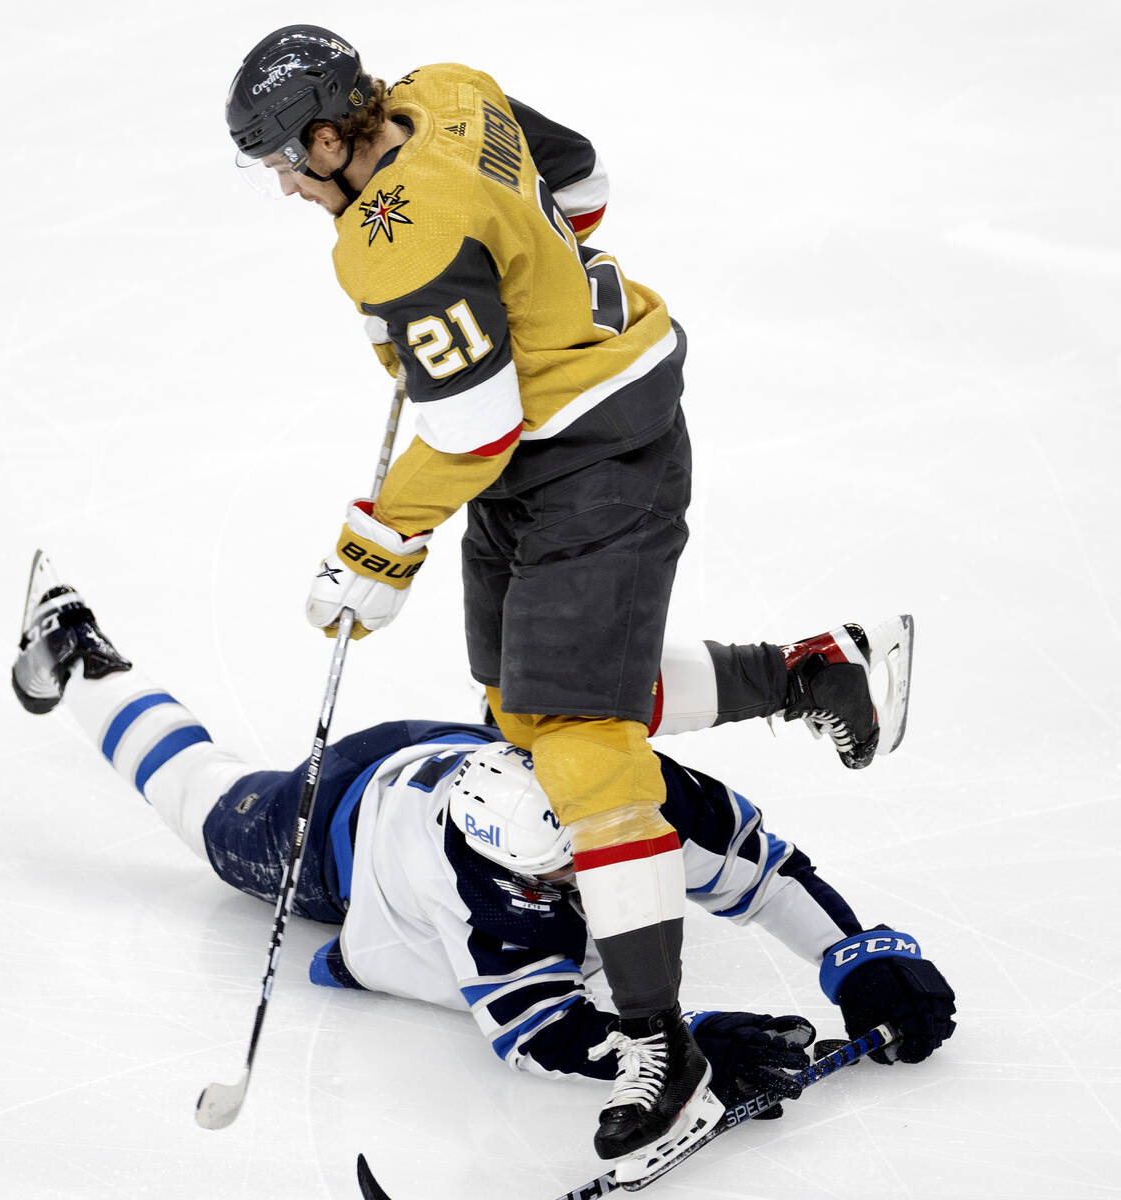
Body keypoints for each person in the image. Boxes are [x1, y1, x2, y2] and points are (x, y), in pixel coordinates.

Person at [222, 27, 918, 1175]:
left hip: (584, 452)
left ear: (335, 135)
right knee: (521, 702)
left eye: (289, 163)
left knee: (579, 741)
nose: (287, 185)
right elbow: (580, 175)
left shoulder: (387, 246)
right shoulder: (447, 90)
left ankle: (662, 1053)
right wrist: (528, 284)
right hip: (563, 435)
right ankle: (811, 671)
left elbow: (472, 425)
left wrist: (379, 545)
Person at [12, 553, 953, 1181]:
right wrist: (687, 1036)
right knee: (207, 805)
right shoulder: (493, 893)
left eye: (590, 858)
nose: (582, 881)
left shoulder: (637, 792)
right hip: (341, 827)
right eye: (559, 881)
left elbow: (765, 873)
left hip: (454, 752)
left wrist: (862, 955)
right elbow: (534, 1030)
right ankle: (81, 650)